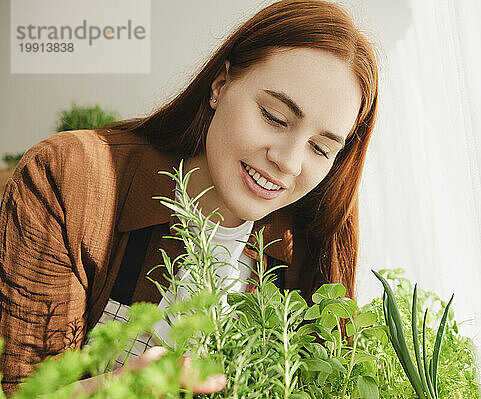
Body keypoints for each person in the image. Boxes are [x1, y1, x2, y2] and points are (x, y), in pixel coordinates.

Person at [0, 0, 379, 395]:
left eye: (320, 148)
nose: (288, 162)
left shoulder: (307, 251)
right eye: (275, 118)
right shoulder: (72, 178)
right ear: (220, 85)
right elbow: (21, 391)